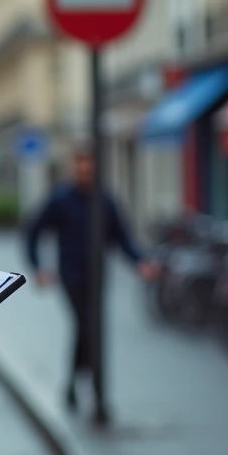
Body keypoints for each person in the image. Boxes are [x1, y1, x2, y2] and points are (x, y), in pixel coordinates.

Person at [24, 146, 157, 421]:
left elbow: (122, 236)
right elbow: (34, 231)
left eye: (90, 168)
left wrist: (140, 261)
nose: (85, 173)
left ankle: (73, 385)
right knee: (87, 328)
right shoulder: (60, 198)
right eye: (81, 168)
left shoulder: (105, 200)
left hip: (98, 278)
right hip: (70, 277)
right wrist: (38, 268)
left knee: (88, 331)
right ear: (74, 168)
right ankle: (96, 395)